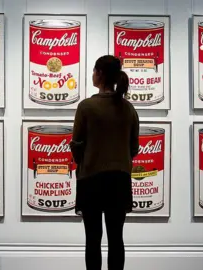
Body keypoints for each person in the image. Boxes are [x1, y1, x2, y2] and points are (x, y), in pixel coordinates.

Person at [69, 55, 140, 270]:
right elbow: (134, 149)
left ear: (100, 74)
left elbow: (77, 145)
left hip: (91, 179)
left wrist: (84, 159)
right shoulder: (128, 109)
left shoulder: (86, 107)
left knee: (93, 239)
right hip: (119, 180)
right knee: (116, 238)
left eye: (94, 71)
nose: (92, 74)